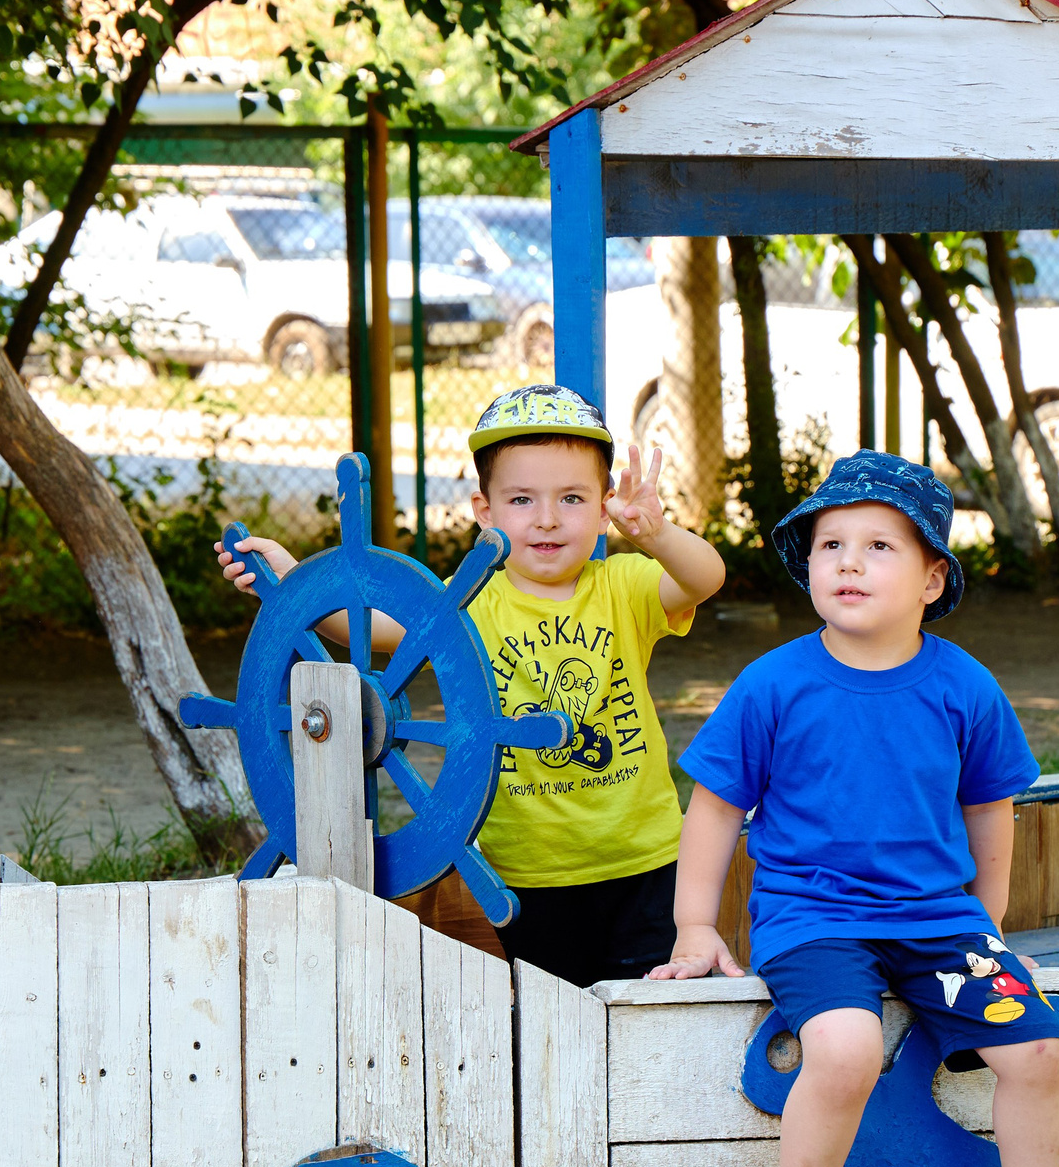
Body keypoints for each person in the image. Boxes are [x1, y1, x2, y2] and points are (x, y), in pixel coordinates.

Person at [653, 452, 1059, 1167]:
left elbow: (991, 808)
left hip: (940, 923)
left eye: (877, 545)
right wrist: (695, 924)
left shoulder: (963, 686)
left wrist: (987, 928)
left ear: (930, 579)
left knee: (1037, 1050)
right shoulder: (773, 684)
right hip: (815, 920)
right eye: (829, 543)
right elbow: (715, 806)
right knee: (843, 1049)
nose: (847, 560)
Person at [216, 383, 725, 985]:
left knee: (652, 1012)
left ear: (604, 505)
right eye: (521, 499)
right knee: (556, 1019)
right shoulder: (470, 602)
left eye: (571, 497)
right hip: (526, 869)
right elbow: (379, 628)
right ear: (485, 511)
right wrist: (294, 581)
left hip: (645, 859)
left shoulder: (625, 585)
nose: (547, 518)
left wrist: (656, 537)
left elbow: (705, 579)